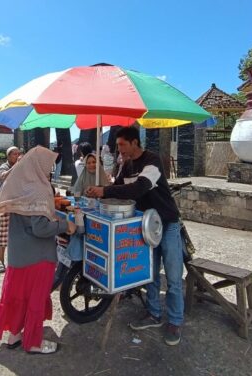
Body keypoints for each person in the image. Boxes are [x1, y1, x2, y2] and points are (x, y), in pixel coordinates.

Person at [86, 126, 186, 346]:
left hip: (166, 223)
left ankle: (176, 321)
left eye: (122, 145)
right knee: (148, 273)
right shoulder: (126, 164)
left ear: (134, 143)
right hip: (144, 224)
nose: (118, 149)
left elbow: (139, 189)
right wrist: (99, 190)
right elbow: (119, 187)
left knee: (173, 276)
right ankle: (154, 314)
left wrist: (106, 191)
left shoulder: (152, 161)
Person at [0, 146, 76, 354]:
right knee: (35, 300)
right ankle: (33, 342)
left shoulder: (21, 184)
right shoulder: (39, 189)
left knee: (17, 298)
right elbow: (40, 228)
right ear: (38, 166)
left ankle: (14, 336)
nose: (50, 169)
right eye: (48, 165)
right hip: (37, 257)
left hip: (18, 256)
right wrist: (64, 226)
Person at [0, 146, 21, 273]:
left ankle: (17, 259)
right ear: (8, 156)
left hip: (19, 203)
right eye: (14, 154)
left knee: (20, 231)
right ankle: (0, 260)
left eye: (18, 153)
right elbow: (3, 177)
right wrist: (17, 166)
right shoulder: (4, 167)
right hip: (6, 203)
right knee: (4, 231)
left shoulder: (21, 166)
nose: (17, 156)